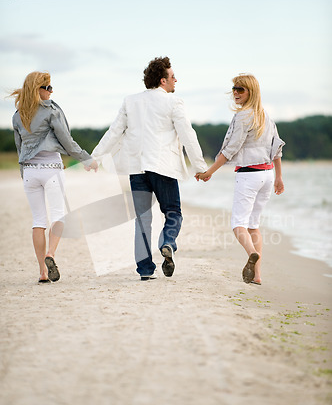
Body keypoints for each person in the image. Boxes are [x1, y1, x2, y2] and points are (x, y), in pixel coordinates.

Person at [91, 56, 208, 280]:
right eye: (173, 77)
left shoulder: (130, 101)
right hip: (163, 167)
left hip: (137, 169)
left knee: (142, 219)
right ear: (163, 81)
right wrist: (200, 167)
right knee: (173, 213)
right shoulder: (174, 102)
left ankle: (145, 270)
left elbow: (114, 131)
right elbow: (187, 135)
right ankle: (168, 242)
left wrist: (95, 156)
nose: (176, 80)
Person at [196, 74, 285, 285]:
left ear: (250, 92)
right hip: (267, 174)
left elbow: (230, 149)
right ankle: (257, 276)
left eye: (240, 89)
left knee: (238, 225)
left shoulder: (243, 116)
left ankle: (252, 253)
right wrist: (279, 178)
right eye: (234, 89)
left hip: (249, 175)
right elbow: (277, 150)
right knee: (254, 225)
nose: (235, 93)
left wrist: (209, 172)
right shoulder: (266, 117)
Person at [10, 71, 98, 284]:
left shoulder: (17, 115)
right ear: (37, 89)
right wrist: (87, 159)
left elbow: (19, 147)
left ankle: (42, 272)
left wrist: (25, 174)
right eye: (48, 87)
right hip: (51, 168)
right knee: (58, 216)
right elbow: (67, 141)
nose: (51, 91)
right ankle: (51, 253)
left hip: (30, 172)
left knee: (38, 221)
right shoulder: (51, 111)